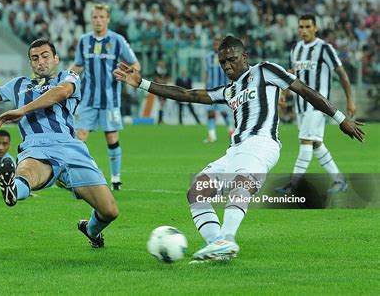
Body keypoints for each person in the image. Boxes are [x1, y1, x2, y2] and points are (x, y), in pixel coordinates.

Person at [114, 36, 364, 263]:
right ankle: (216, 248)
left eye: (231, 59)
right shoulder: (229, 90)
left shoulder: (265, 71)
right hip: (236, 149)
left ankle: (227, 238)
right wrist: (142, 83)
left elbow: (306, 91)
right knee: (196, 192)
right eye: (222, 62)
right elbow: (186, 94)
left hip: (262, 143)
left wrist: (341, 118)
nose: (227, 66)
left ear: (245, 57)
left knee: (241, 182)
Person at [0, 38, 118, 249]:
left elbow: (62, 93)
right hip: (36, 146)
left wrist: (23, 110)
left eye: (45, 56)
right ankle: (13, 188)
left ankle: (90, 231)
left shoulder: (69, 77)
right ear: (31, 63)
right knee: (27, 174)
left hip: (71, 147)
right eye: (35, 58)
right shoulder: (19, 85)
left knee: (109, 211)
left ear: (56, 59)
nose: (40, 62)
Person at [275, 14, 357, 194]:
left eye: (307, 27)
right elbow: (291, 76)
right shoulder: (295, 49)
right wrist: (284, 94)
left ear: (315, 28)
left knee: (305, 141)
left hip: (318, 106)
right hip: (301, 106)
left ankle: (293, 185)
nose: (303, 30)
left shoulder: (324, 49)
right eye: (301, 27)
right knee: (315, 143)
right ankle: (339, 180)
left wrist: (350, 99)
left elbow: (342, 74)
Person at [70, 4, 140, 191]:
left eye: (101, 17)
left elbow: (135, 64)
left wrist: (129, 74)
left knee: (111, 137)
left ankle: (115, 179)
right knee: (79, 137)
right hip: (87, 100)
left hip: (110, 101)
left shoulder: (118, 41)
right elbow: (78, 66)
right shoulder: (84, 41)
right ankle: (76, 178)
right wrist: (65, 78)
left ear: (108, 19)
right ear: (90, 19)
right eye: (94, 17)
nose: (98, 20)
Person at [204, 38, 234, 142]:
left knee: (224, 113)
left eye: (217, 44)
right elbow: (207, 72)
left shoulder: (226, 57)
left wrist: (230, 85)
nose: (215, 46)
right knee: (210, 112)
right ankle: (212, 135)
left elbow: (230, 72)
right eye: (214, 44)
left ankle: (231, 131)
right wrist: (205, 86)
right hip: (211, 89)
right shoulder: (209, 57)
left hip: (222, 89)